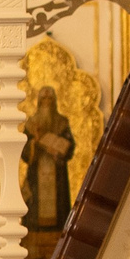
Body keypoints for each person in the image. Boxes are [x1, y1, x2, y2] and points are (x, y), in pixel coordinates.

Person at [20, 86, 78, 236]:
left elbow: (69, 147)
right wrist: (34, 143)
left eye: (49, 99)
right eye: (44, 99)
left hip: (56, 175)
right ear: (39, 102)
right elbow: (24, 151)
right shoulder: (31, 124)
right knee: (35, 207)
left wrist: (58, 150)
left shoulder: (62, 123)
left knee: (58, 209)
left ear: (55, 102)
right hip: (37, 175)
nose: (47, 102)